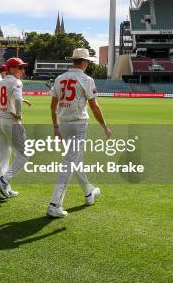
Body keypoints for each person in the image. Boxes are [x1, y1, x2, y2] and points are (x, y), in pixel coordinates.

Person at [46, 48, 112, 218]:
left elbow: (53, 106)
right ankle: (55, 204)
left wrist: (55, 126)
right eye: (87, 61)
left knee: (75, 160)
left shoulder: (60, 78)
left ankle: (89, 192)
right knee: (69, 162)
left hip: (63, 124)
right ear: (84, 62)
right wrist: (104, 126)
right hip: (78, 124)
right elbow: (94, 106)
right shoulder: (86, 79)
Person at [0, 57, 30, 199]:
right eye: (20, 67)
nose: (22, 70)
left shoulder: (1, 82)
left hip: (1, 119)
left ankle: (4, 190)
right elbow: (18, 101)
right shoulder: (16, 82)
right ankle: (3, 181)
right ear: (11, 69)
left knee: (3, 156)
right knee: (23, 155)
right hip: (11, 121)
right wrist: (18, 114)